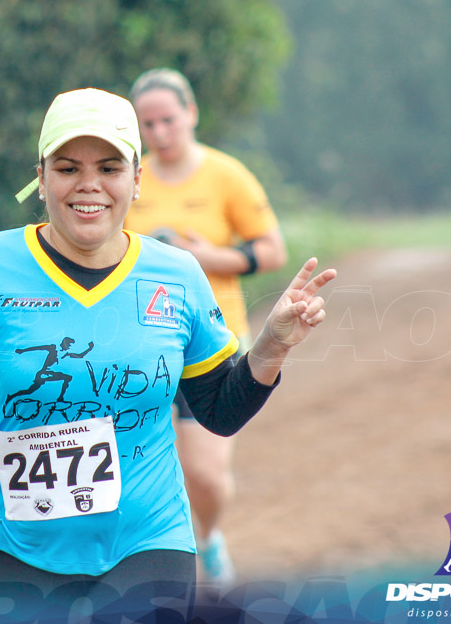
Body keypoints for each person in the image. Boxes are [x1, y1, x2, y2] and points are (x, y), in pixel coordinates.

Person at [0, 88, 334, 620]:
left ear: (136, 180)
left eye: (109, 168)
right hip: (17, 552)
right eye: (68, 168)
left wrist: (274, 344)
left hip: (149, 543)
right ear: (40, 179)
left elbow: (219, 409)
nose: (88, 185)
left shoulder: (178, 274)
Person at [124, 68, 288, 586]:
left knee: (204, 473)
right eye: (147, 124)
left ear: (191, 113)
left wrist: (204, 257)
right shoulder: (130, 178)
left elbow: (272, 249)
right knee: (136, 474)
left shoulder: (226, 175)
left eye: (168, 119)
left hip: (211, 344)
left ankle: (209, 535)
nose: (159, 132)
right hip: (136, 345)